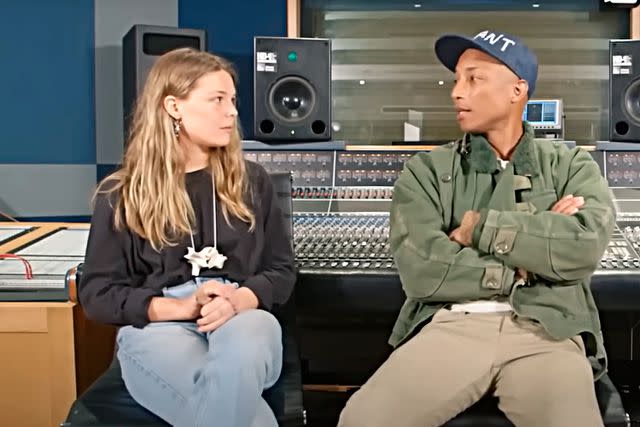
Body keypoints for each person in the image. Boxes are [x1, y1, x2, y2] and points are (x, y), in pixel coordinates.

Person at [338, 30, 616, 427]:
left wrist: (478, 229)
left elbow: (584, 246)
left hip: (548, 331)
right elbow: (422, 268)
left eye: (474, 78)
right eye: (456, 80)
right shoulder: (426, 171)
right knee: (363, 420)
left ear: (516, 91)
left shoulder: (571, 165)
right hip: (453, 326)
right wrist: (530, 259)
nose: (456, 92)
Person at [79, 47, 296, 427]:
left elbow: (281, 270)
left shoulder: (253, 181)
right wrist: (181, 309)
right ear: (174, 106)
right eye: (217, 100)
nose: (232, 112)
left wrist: (238, 299)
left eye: (232, 100)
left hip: (241, 316)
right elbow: (97, 293)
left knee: (250, 335)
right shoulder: (122, 194)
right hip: (160, 327)